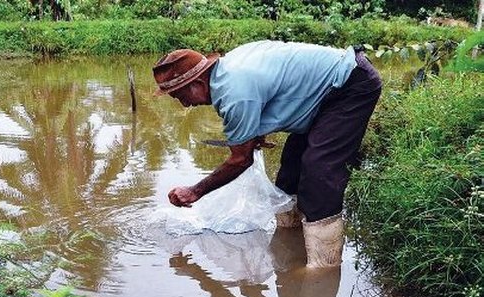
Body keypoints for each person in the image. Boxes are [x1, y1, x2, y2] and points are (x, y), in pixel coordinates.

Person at [152, 40, 382, 268]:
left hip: (349, 84)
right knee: (289, 175)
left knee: (319, 174)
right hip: (319, 96)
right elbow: (273, 94)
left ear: (198, 82)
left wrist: (195, 191)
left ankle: (324, 267)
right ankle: (291, 247)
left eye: (180, 96)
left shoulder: (234, 93)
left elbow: (241, 160)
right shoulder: (228, 72)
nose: (184, 104)